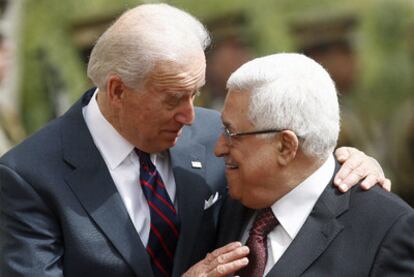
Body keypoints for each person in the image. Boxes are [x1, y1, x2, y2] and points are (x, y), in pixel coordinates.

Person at [0, 4, 389, 277]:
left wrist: (345, 164)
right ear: (117, 91)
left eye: (197, 93)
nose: (191, 116)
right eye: (173, 99)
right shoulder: (28, 178)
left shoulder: (211, 134)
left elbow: (292, 172)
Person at [186, 53, 414, 276]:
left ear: (286, 146)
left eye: (231, 133)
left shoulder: (385, 230)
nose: (219, 148)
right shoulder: (220, 198)